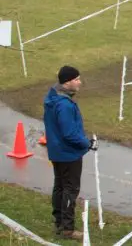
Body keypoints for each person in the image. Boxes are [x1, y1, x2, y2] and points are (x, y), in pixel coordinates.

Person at [43, 65, 98, 240]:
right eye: (76, 79)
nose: (80, 82)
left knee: (59, 187)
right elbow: (69, 133)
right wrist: (87, 143)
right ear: (67, 82)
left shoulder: (53, 98)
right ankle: (67, 229)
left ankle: (59, 223)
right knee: (69, 190)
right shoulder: (64, 105)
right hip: (68, 154)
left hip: (57, 151)